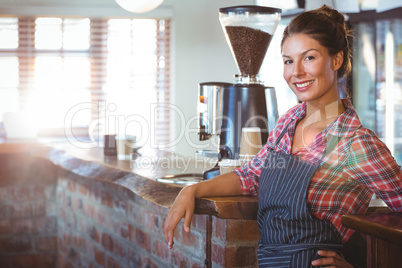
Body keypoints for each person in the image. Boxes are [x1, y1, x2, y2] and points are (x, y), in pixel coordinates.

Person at [163, 5, 402, 267]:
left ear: (337, 60)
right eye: (288, 61)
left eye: (309, 58)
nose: (296, 72)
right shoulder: (289, 122)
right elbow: (252, 176)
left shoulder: (355, 141)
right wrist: (193, 190)